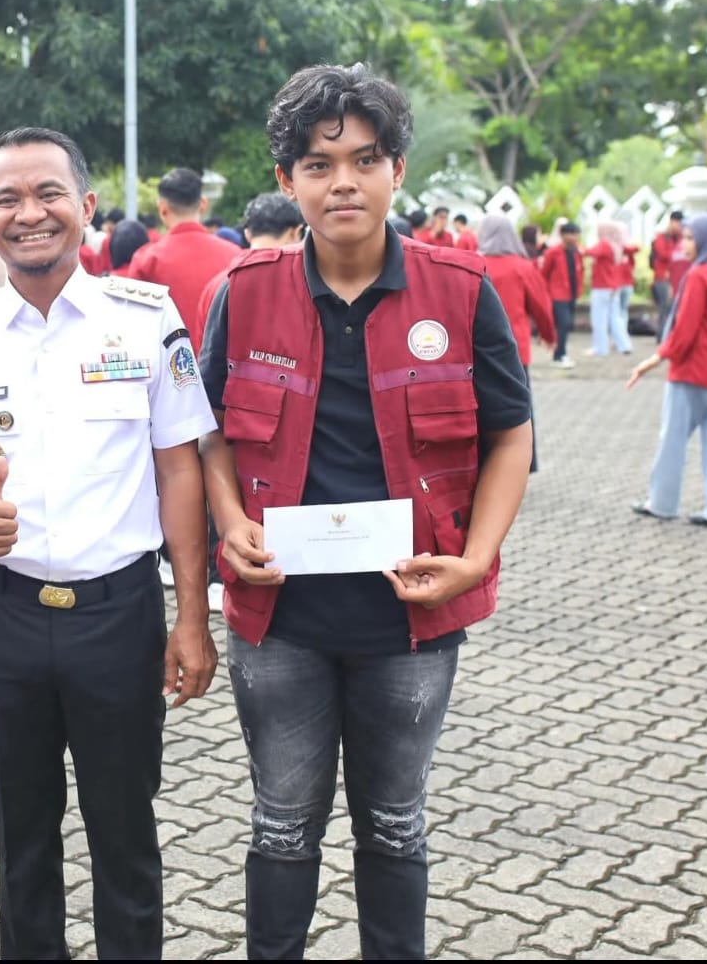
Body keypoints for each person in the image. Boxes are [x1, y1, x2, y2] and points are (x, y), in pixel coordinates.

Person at [199, 64, 534, 960]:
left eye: (364, 160)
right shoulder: (243, 291)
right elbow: (210, 433)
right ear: (287, 180)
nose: (342, 182)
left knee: (394, 824)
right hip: (280, 621)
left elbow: (512, 434)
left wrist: (476, 558)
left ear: (397, 169)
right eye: (318, 164)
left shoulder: (461, 291)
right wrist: (229, 520)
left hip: (411, 621)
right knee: (280, 825)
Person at [0, 127, 218, 959]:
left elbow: (180, 470)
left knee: (126, 839)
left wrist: (193, 617)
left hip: (118, 616)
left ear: (85, 206)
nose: (29, 213)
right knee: (22, 844)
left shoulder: (145, 320)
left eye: (48, 193)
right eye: (6, 200)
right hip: (3, 616)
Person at [627, 213, 707, 528]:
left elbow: (684, 330)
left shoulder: (701, 275)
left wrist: (655, 358)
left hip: (695, 372)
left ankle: (662, 503)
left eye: (690, 238)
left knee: (673, 437)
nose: (683, 244)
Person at [118, 167, 238, 353]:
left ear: (162, 209)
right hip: (221, 367)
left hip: (167, 365)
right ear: (203, 204)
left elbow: (135, 326)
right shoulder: (235, 256)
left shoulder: (147, 259)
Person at [476, 213, 556, 471]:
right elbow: (541, 305)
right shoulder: (523, 267)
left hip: (474, 352)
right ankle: (522, 466)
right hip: (514, 352)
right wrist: (548, 334)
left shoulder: (472, 264)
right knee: (518, 411)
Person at [188, 192, 304, 351]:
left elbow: (205, 350)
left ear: (247, 233)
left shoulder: (219, 285)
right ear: (295, 232)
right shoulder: (304, 283)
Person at [583, 221, 634, 357]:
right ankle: (624, 344)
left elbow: (588, 252)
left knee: (599, 318)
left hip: (602, 286)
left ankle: (601, 348)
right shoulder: (617, 245)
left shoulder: (604, 244)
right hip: (614, 286)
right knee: (615, 317)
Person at [538, 221, 583, 368]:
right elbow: (544, 273)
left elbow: (580, 271)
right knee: (563, 323)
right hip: (557, 294)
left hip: (572, 293)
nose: (573, 237)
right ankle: (560, 354)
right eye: (570, 234)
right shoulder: (553, 252)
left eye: (575, 234)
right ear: (563, 235)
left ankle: (560, 353)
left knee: (566, 324)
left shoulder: (576, 251)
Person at [650, 211, 684, 326]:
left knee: (675, 308)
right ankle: (663, 335)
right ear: (671, 221)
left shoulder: (681, 237)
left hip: (676, 277)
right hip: (663, 277)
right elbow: (663, 254)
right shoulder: (661, 237)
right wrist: (678, 253)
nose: (679, 225)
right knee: (665, 308)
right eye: (677, 222)